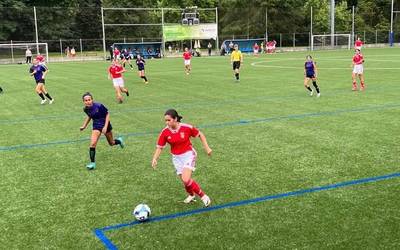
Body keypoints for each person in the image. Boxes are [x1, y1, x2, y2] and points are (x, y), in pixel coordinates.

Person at [151, 109, 212, 207]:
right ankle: (192, 195)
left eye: (169, 120)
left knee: (186, 178)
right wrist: (155, 158)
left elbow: (200, 134)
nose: (167, 123)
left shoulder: (186, 127)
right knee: (185, 181)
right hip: (176, 158)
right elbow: (159, 147)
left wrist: (207, 148)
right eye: (165, 120)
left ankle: (204, 196)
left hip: (188, 155)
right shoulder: (165, 132)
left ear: (175, 119)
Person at [80, 92, 124, 170]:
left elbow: (107, 114)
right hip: (96, 125)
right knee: (93, 143)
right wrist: (84, 126)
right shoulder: (85, 109)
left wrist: (105, 126)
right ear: (83, 101)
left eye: (89, 100)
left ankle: (119, 141)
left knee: (111, 143)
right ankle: (92, 163)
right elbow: (89, 116)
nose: (88, 101)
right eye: (86, 100)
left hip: (105, 124)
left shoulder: (99, 106)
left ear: (92, 100)